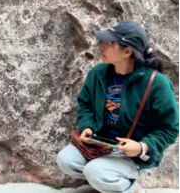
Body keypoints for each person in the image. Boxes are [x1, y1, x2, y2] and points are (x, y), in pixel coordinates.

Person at [56, 21, 179, 193]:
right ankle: (106, 177)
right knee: (65, 160)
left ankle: (132, 189)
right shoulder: (98, 74)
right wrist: (88, 126)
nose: (101, 46)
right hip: (100, 145)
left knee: (95, 171)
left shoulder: (157, 84)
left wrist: (142, 146)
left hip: (132, 154)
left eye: (109, 43)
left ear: (127, 51)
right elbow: (84, 104)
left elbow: (170, 129)